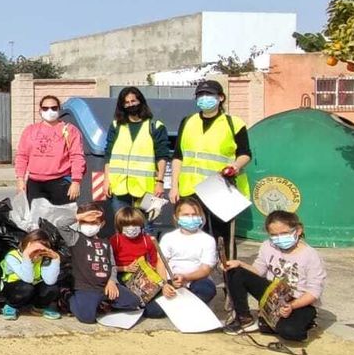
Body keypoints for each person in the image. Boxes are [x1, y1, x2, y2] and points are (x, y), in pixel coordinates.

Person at [172, 79, 251, 255]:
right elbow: (178, 156)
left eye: (209, 94)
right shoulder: (188, 121)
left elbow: (245, 153)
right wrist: (174, 186)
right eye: (200, 95)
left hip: (220, 186)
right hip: (190, 188)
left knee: (223, 235)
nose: (204, 98)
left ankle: (227, 276)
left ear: (221, 98)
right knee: (192, 234)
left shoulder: (234, 123)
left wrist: (235, 166)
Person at [224, 211, 326, 341]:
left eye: (284, 233)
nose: (279, 238)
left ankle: (300, 322)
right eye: (274, 235)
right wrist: (239, 264)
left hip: (299, 301)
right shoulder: (267, 246)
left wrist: (292, 306)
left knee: (291, 333)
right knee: (236, 272)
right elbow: (258, 270)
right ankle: (245, 319)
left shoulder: (311, 256)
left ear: (298, 230)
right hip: (274, 295)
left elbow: (314, 291)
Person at [102, 87, 170, 219]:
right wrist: (106, 180)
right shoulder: (116, 126)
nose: (130, 105)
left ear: (141, 101)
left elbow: (162, 156)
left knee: (145, 227)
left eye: (133, 101)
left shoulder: (155, 126)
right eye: (126, 103)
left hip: (145, 189)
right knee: (122, 226)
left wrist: (160, 182)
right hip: (119, 187)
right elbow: (108, 155)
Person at [68, 203, 142, 324]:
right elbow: (60, 225)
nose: (89, 225)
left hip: (106, 286)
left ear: (101, 224)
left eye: (94, 223)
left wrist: (112, 281)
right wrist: (80, 216)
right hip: (86, 287)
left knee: (133, 302)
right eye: (86, 222)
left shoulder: (106, 243)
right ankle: (69, 297)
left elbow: (112, 265)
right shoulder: (75, 238)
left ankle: (102, 303)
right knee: (87, 317)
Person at [149, 199, 219, 318]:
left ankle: (186, 304)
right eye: (186, 215)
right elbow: (161, 262)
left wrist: (185, 277)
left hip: (195, 281)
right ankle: (187, 305)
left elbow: (205, 269)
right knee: (152, 311)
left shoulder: (208, 240)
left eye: (194, 214)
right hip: (171, 281)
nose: (191, 218)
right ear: (176, 217)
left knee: (207, 289)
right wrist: (165, 285)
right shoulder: (168, 238)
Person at [15, 95, 85, 205]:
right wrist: (20, 179)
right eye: (45, 108)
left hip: (60, 182)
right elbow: (22, 156)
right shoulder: (30, 130)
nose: (49, 111)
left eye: (53, 108)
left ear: (59, 109)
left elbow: (77, 156)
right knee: (37, 219)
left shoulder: (70, 130)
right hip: (35, 184)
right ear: (40, 110)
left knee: (61, 220)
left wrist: (76, 181)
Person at [109, 205, 165, 317]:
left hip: (142, 277)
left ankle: (141, 305)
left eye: (135, 224)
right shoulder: (115, 240)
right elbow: (108, 264)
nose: (131, 228)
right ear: (120, 226)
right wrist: (125, 268)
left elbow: (155, 262)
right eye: (127, 225)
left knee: (156, 312)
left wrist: (150, 270)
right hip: (121, 275)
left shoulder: (147, 240)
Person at [0, 229, 63, 321]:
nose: (37, 252)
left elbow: (50, 281)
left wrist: (56, 259)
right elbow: (27, 278)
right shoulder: (12, 256)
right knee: (26, 288)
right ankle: (11, 306)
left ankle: (39, 307)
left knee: (53, 288)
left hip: (32, 287)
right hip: (14, 289)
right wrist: (27, 256)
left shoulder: (43, 259)